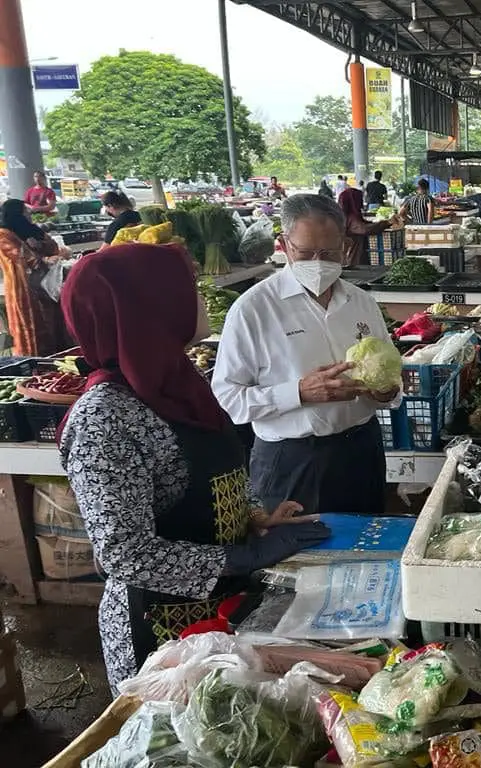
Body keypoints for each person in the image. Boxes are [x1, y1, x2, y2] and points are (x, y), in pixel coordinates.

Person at [58, 244, 329, 690]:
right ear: (147, 308)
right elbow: (124, 553)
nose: (201, 301)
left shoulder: (179, 384)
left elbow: (209, 475)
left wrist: (253, 517)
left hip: (224, 611)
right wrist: (242, 556)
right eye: (189, 291)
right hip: (161, 631)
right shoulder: (108, 417)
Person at [212, 195, 402, 518]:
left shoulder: (362, 303)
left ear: (344, 245)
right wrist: (298, 393)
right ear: (284, 245)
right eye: (305, 252)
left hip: (361, 450)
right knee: (296, 560)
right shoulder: (253, 310)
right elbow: (228, 397)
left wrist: (386, 392)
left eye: (328, 253)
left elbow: (391, 378)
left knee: (363, 551)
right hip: (294, 461)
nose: (318, 262)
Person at [0, 199, 70, 356]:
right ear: (16, 215)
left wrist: (38, 235)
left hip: (47, 288)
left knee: (53, 324)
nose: (29, 215)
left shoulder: (28, 230)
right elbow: (21, 257)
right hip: (24, 289)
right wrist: (43, 258)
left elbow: (52, 248)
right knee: (30, 326)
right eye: (25, 213)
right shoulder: (4, 235)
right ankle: (34, 363)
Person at [338, 187, 401, 266]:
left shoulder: (346, 216)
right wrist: (387, 222)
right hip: (353, 261)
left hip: (353, 258)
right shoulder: (351, 218)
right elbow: (365, 229)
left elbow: (364, 224)